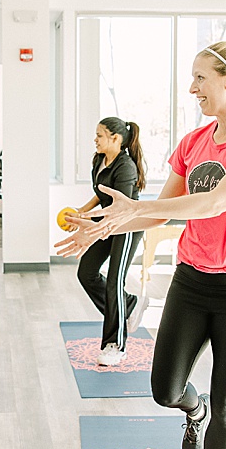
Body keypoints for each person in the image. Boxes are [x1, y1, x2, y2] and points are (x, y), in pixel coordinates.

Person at [56, 41, 226, 449]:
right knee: (165, 390)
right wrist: (108, 224)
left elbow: (214, 203)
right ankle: (191, 410)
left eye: (201, 77)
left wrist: (128, 212)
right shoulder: (192, 142)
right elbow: (163, 210)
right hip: (192, 279)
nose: (192, 87)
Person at [70, 117, 147, 366]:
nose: (95, 139)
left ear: (115, 138)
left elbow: (119, 209)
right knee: (87, 272)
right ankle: (129, 304)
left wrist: (91, 228)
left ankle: (115, 345)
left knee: (115, 281)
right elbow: (100, 193)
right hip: (107, 224)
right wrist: (82, 213)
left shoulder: (125, 167)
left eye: (99, 135)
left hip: (126, 226)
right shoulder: (99, 160)